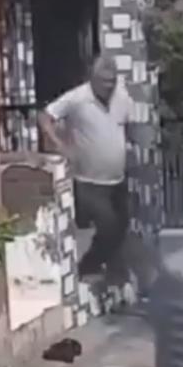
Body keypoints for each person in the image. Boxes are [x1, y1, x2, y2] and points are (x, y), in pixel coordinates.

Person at [39, 55, 151, 290]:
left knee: (121, 226)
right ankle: (88, 265)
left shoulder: (121, 97)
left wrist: (134, 150)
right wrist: (60, 145)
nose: (109, 85)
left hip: (117, 179)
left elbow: (129, 126)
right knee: (108, 226)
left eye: (112, 80)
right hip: (89, 180)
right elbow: (45, 117)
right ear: (93, 78)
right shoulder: (77, 98)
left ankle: (111, 274)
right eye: (104, 81)